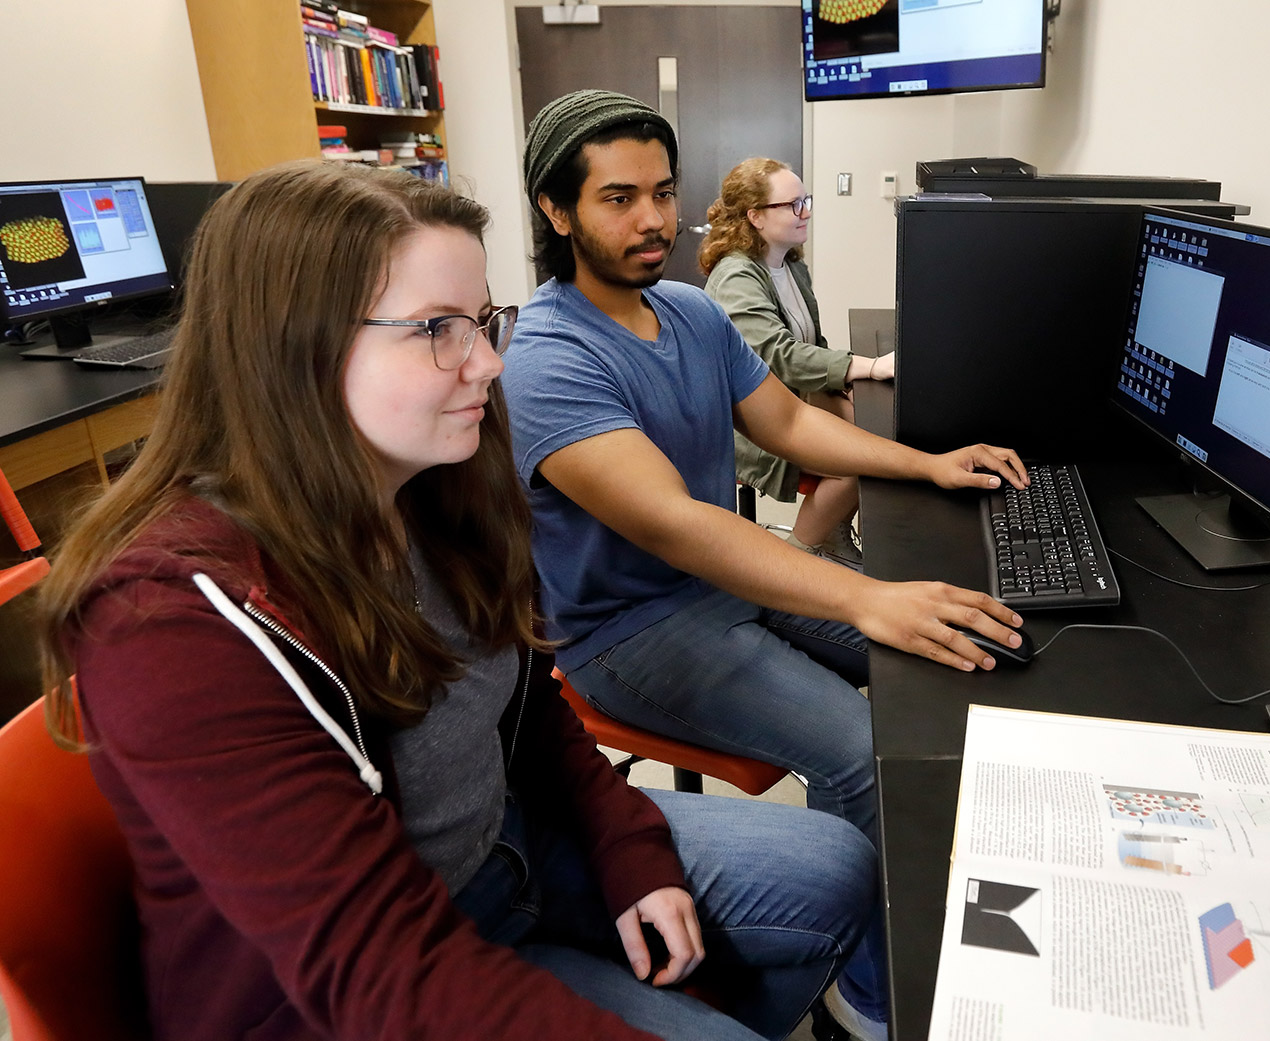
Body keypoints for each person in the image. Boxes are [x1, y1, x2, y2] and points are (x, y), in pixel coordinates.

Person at [35, 161, 875, 1041]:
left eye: (480, 320)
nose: (488, 361)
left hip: (505, 848)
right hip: (354, 989)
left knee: (834, 867)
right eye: (438, 328)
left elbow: (522, 707)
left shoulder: (433, 481)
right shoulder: (174, 619)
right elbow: (380, 976)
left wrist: (626, 846)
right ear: (293, 346)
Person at [505, 90, 1030, 1039]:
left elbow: (786, 422)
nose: (655, 219)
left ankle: (942, 892)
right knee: (861, 751)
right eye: (618, 198)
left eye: (663, 193)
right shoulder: (545, 357)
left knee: (940, 668)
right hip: (631, 632)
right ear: (556, 210)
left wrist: (930, 464)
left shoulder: (692, 312)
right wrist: (868, 597)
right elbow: (676, 523)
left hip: (726, 582)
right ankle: (871, 996)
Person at [699, 157, 894, 567]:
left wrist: (843, 379)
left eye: (806, 200)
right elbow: (779, 355)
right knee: (860, 461)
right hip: (748, 418)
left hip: (790, 397)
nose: (805, 212)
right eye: (793, 205)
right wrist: (869, 367)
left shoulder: (789, 265)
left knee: (880, 429)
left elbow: (811, 342)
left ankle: (832, 534)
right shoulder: (737, 276)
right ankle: (801, 556)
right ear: (754, 216)